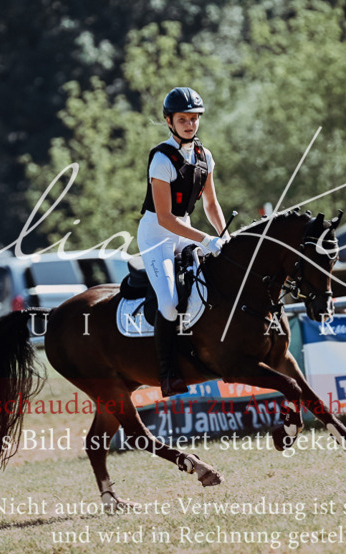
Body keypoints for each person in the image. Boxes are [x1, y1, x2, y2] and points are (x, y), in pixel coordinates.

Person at [137, 86, 227, 397]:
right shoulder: (161, 159)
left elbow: (211, 205)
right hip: (156, 235)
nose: (190, 124)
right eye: (183, 119)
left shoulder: (205, 156)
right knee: (170, 303)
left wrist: (223, 234)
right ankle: (167, 373)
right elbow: (164, 217)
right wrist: (205, 239)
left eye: (194, 118)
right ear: (169, 121)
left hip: (185, 229)